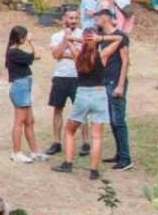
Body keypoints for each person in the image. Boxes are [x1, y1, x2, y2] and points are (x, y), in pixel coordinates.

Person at [52, 26, 122, 180]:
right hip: (99, 94)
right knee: (96, 136)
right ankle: (93, 170)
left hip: (83, 94)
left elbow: (69, 39)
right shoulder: (102, 55)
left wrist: (80, 40)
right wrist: (100, 39)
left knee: (70, 130)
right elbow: (119, 39)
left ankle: (68, 163)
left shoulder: (78, 55)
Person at [95, 6, 132, 170]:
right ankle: (119, 153)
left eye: (98, 17)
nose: (96, 20)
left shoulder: (121, 37)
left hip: (116, 81)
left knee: (119, 120)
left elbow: (125, 61)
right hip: (106, 80)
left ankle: (126, 157)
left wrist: (120, 85)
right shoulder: (103, 38)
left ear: (106, 18)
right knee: (112, 120)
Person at [43, 8, 83, 156]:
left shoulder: (83, 35)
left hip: (77, 76)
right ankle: (57, 142)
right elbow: (56, 54)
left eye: (75, 18)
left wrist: (67, 54)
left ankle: (85, 143)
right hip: (60, 76)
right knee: (57, 109)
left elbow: (81, 57)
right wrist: (66, 40)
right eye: (70, 18)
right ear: (64, 19)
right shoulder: (56, 36)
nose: (73, 21)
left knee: (81, 109)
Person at [6, 26, 42, 163]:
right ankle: (16, 152)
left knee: (29, 121)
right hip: (20, 88)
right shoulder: (14, 53)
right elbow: (37, 55)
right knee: (19, 121)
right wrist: (32, 42)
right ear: (21, 38)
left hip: (25, 88)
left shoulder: (16, 52)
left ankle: (35, 151)